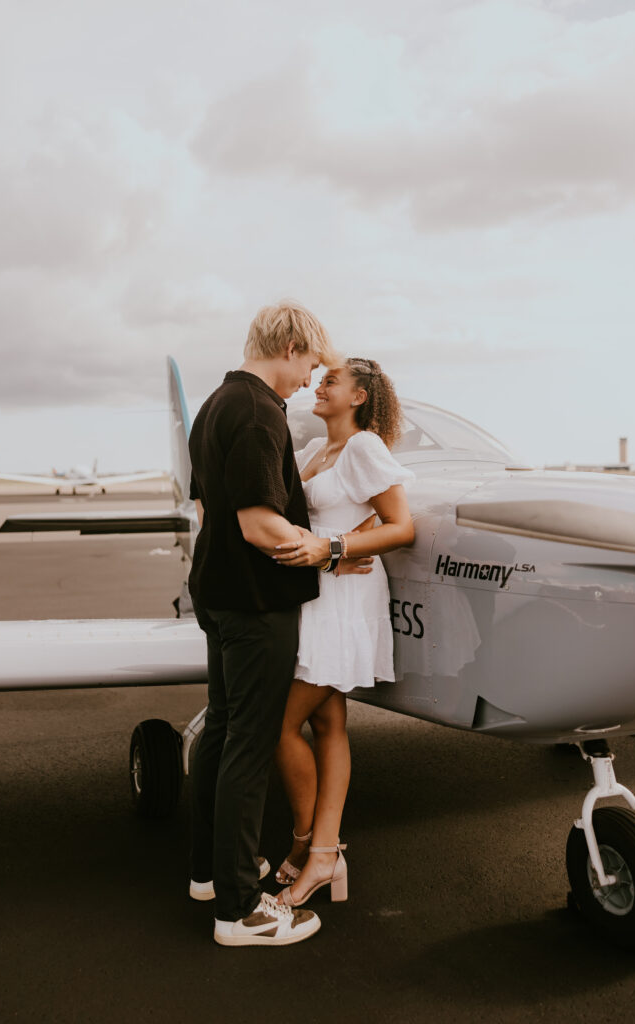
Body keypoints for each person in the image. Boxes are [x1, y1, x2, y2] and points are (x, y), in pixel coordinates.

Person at [187, 301, 365, 948]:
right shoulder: (261, 412)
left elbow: (211, 506)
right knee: (247, 747)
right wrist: (330, 549)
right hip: (257, 603)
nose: (306, 379)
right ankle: (239, 911)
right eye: (309, 364)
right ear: (289, 346)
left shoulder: (215, 405)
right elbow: (256, 523)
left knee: (223, 731)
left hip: (217, 593)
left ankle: (209, 873)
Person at [271, 358, 415, 907]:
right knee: (328, 723)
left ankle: (316, 850)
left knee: (278, 726)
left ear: (359, 396)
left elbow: (401, 527)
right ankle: (320, 853)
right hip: (317, 591)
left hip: (346, 595)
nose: (320, 384)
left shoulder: (363, 448)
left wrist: (336, 549)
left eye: (332, 380)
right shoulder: (313, 452)